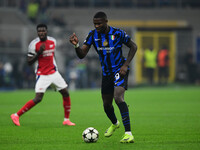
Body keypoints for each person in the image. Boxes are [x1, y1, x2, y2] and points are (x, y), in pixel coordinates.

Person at [69, 11, 137, 143]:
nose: (97, 26)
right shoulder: (92, 35)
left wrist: (126, 65)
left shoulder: (118, 33)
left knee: (118, 97)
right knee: (106, 105)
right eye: (95, 23)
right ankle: (115, 123)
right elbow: (82, 54)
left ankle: (128, 133)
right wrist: (76, 45)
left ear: (106, 21)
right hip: (106, 73)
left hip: (120, 70)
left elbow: (133, 46)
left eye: (99, 23)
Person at [11, 24, 75, 126]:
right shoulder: (33, 44)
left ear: (46, 31)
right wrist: (39, 53)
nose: (41, 33)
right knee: (38, 98)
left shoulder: (53, 41)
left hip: (54, 73)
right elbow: (29, 62)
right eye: (39, 31)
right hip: (42, 74)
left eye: (43, 31)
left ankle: (66, 120)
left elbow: (52, 55)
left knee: (66, 93)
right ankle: (16, 115)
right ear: (37, 32)